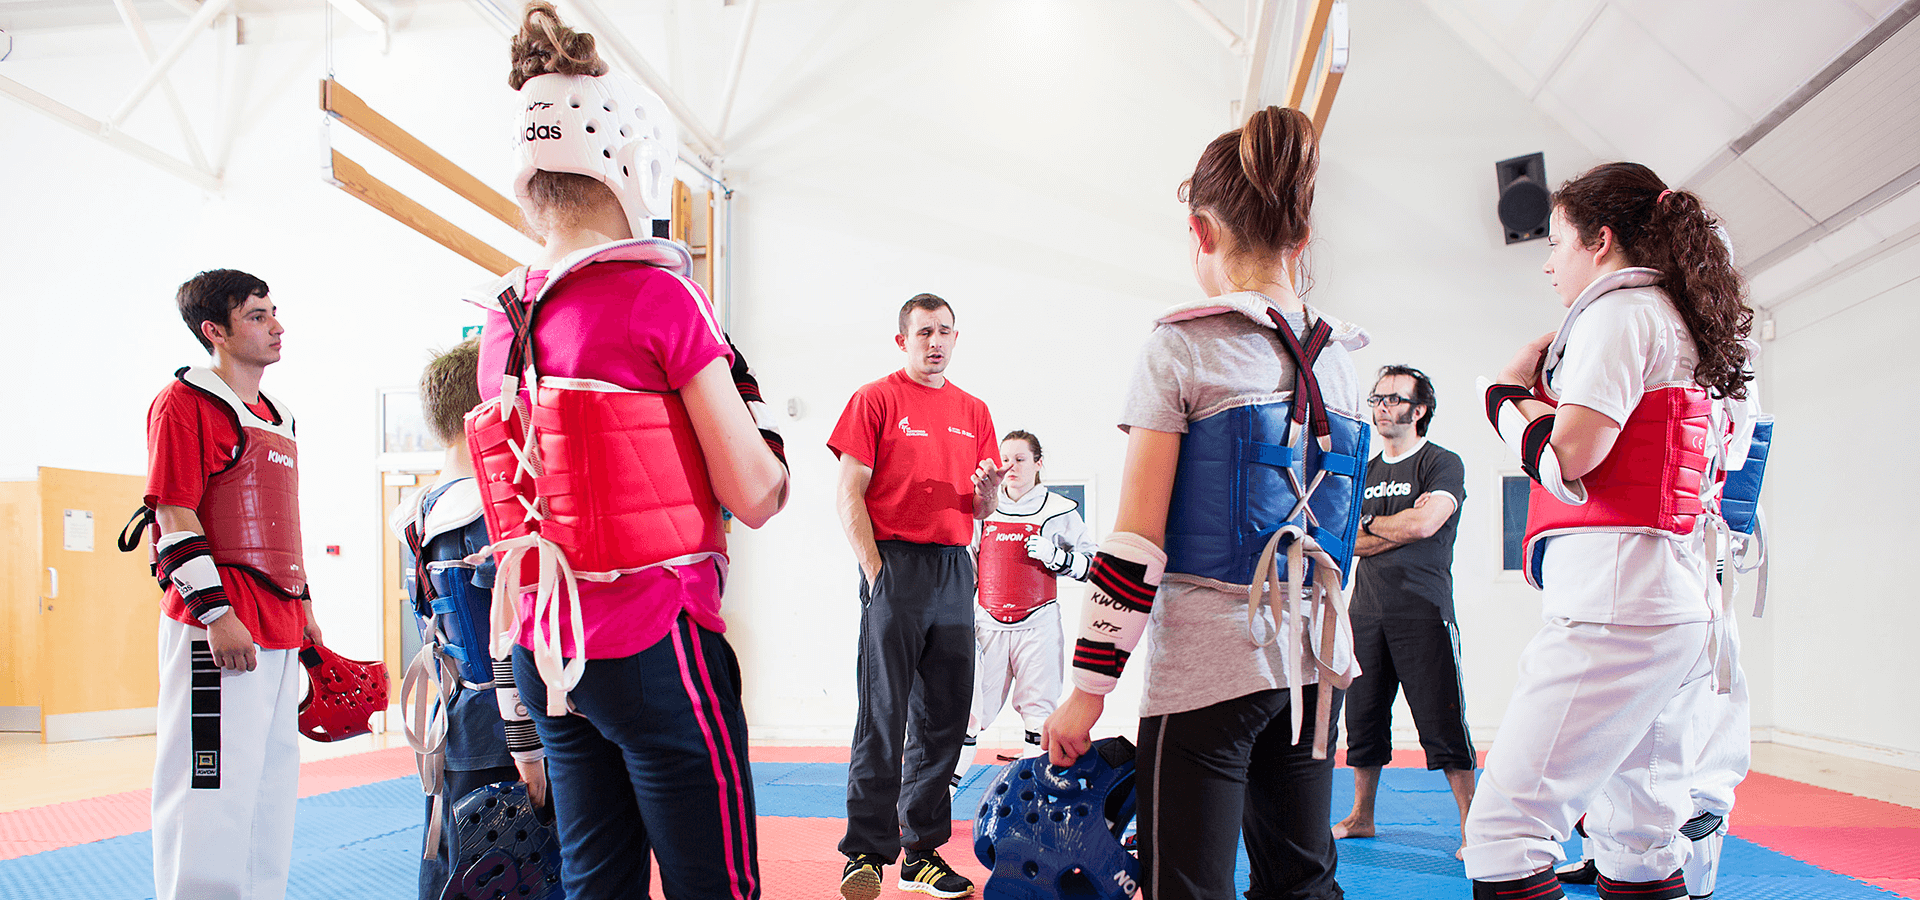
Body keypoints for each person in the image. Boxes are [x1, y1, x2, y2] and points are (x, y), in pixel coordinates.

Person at [465, 4, 790, 897]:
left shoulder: (502, 321)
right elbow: (756, 493)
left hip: (545, 649)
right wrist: (756, 412)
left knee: (595, 883)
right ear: (628, 164)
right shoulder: (656, 299)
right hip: (653, 635)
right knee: (713, 883)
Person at [1044, 105, 1368, 900]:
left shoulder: (1181, 346)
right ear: (1302, 237)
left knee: (1184, 888)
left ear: (1202, 233)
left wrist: (1086, 695)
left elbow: (1135, 544)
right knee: (1302, 884)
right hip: (1312, 664)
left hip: (1205, 675)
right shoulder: (1346, 366)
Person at [1463, 162, 1755, 900]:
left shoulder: (1620, 314)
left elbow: (1571, 457)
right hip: (1677, 607)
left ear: (1602, 240)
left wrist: (1499, 397)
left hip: (1617, 605)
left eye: (1558, 241)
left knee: (1502, 834)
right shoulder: (1686, 322)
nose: (1548, 261)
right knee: (1636, 838)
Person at [139, 268, 322, 900]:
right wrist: (217, 615)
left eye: (274, 311)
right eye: (257, 316)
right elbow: (173, 515)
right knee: (207, 788)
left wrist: (306, 612)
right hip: (215, 628)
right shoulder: (184, 403)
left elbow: (282, 524)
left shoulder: (282, 418)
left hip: (276, 624)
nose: (277, 326)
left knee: (269, 792)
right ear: (214, 331)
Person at [830, 293, 1001, 900]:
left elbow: (984, 509)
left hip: (955, 567)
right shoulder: (875, 399)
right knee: (883, 715)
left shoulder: (975, 411)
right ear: (901, 339)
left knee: (945, 719)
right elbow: (849, 491)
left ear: (957, 339)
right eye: (924, 331)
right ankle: (864, 855)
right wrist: (875, 569)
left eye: (946, 332)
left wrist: (988, 495)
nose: (936, 342)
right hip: (894, 564)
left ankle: (920, 855)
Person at [387, 339, 548, 900]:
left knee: (460, 863)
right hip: (502, 720)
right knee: (513, 873)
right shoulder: (480, 508)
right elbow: (508, 640)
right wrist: (529, 744)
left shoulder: (420, 508)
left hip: (453, 718)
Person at [1332, 365, 1476, 849]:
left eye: (1394, 399)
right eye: (1377, 399)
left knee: (1443, 721)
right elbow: (1344, 541)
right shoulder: (1364, 471)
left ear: (1420, 410)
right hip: (1365, 613)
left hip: (1424, 610)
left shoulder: (1441, 463)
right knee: (1363, 720)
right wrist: (1395, 521)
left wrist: (1374, 525)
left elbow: (1425, 525)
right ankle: (1360, 816)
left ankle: (1471, 827)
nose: (1382, 408)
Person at [956, 429, 1098, 783]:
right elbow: (966, 567)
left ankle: (1033, 796)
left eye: (1020, 459)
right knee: (968, 715)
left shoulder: (1060, 511)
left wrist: (1058, 557)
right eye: (1005, 460)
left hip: (1038, 625)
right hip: (987, 623)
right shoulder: (982, 509)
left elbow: (1095, 567)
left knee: (1039, 717)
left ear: (1038, 463)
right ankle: (939, 799)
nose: (1011, 467)